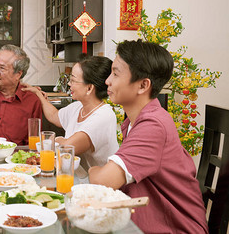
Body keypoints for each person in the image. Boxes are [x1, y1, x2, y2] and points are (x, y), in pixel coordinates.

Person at [88, 40, 208, 233]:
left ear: (143, 85)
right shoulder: (138, 120)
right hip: (146, 221)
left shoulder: (153, 126)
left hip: (177, 228)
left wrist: (93, 169)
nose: (108, 81)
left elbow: (103, 181)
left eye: (116, 73)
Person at [22, 55, 118, 170]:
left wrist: (57, 139)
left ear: (89, 88)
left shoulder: (104, 116)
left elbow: (67, 147)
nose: (69, 84)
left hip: (99, 184)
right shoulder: (78, 107)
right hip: (77, 176)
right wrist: (38, 94)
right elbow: (54, 116)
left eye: (73, 80)